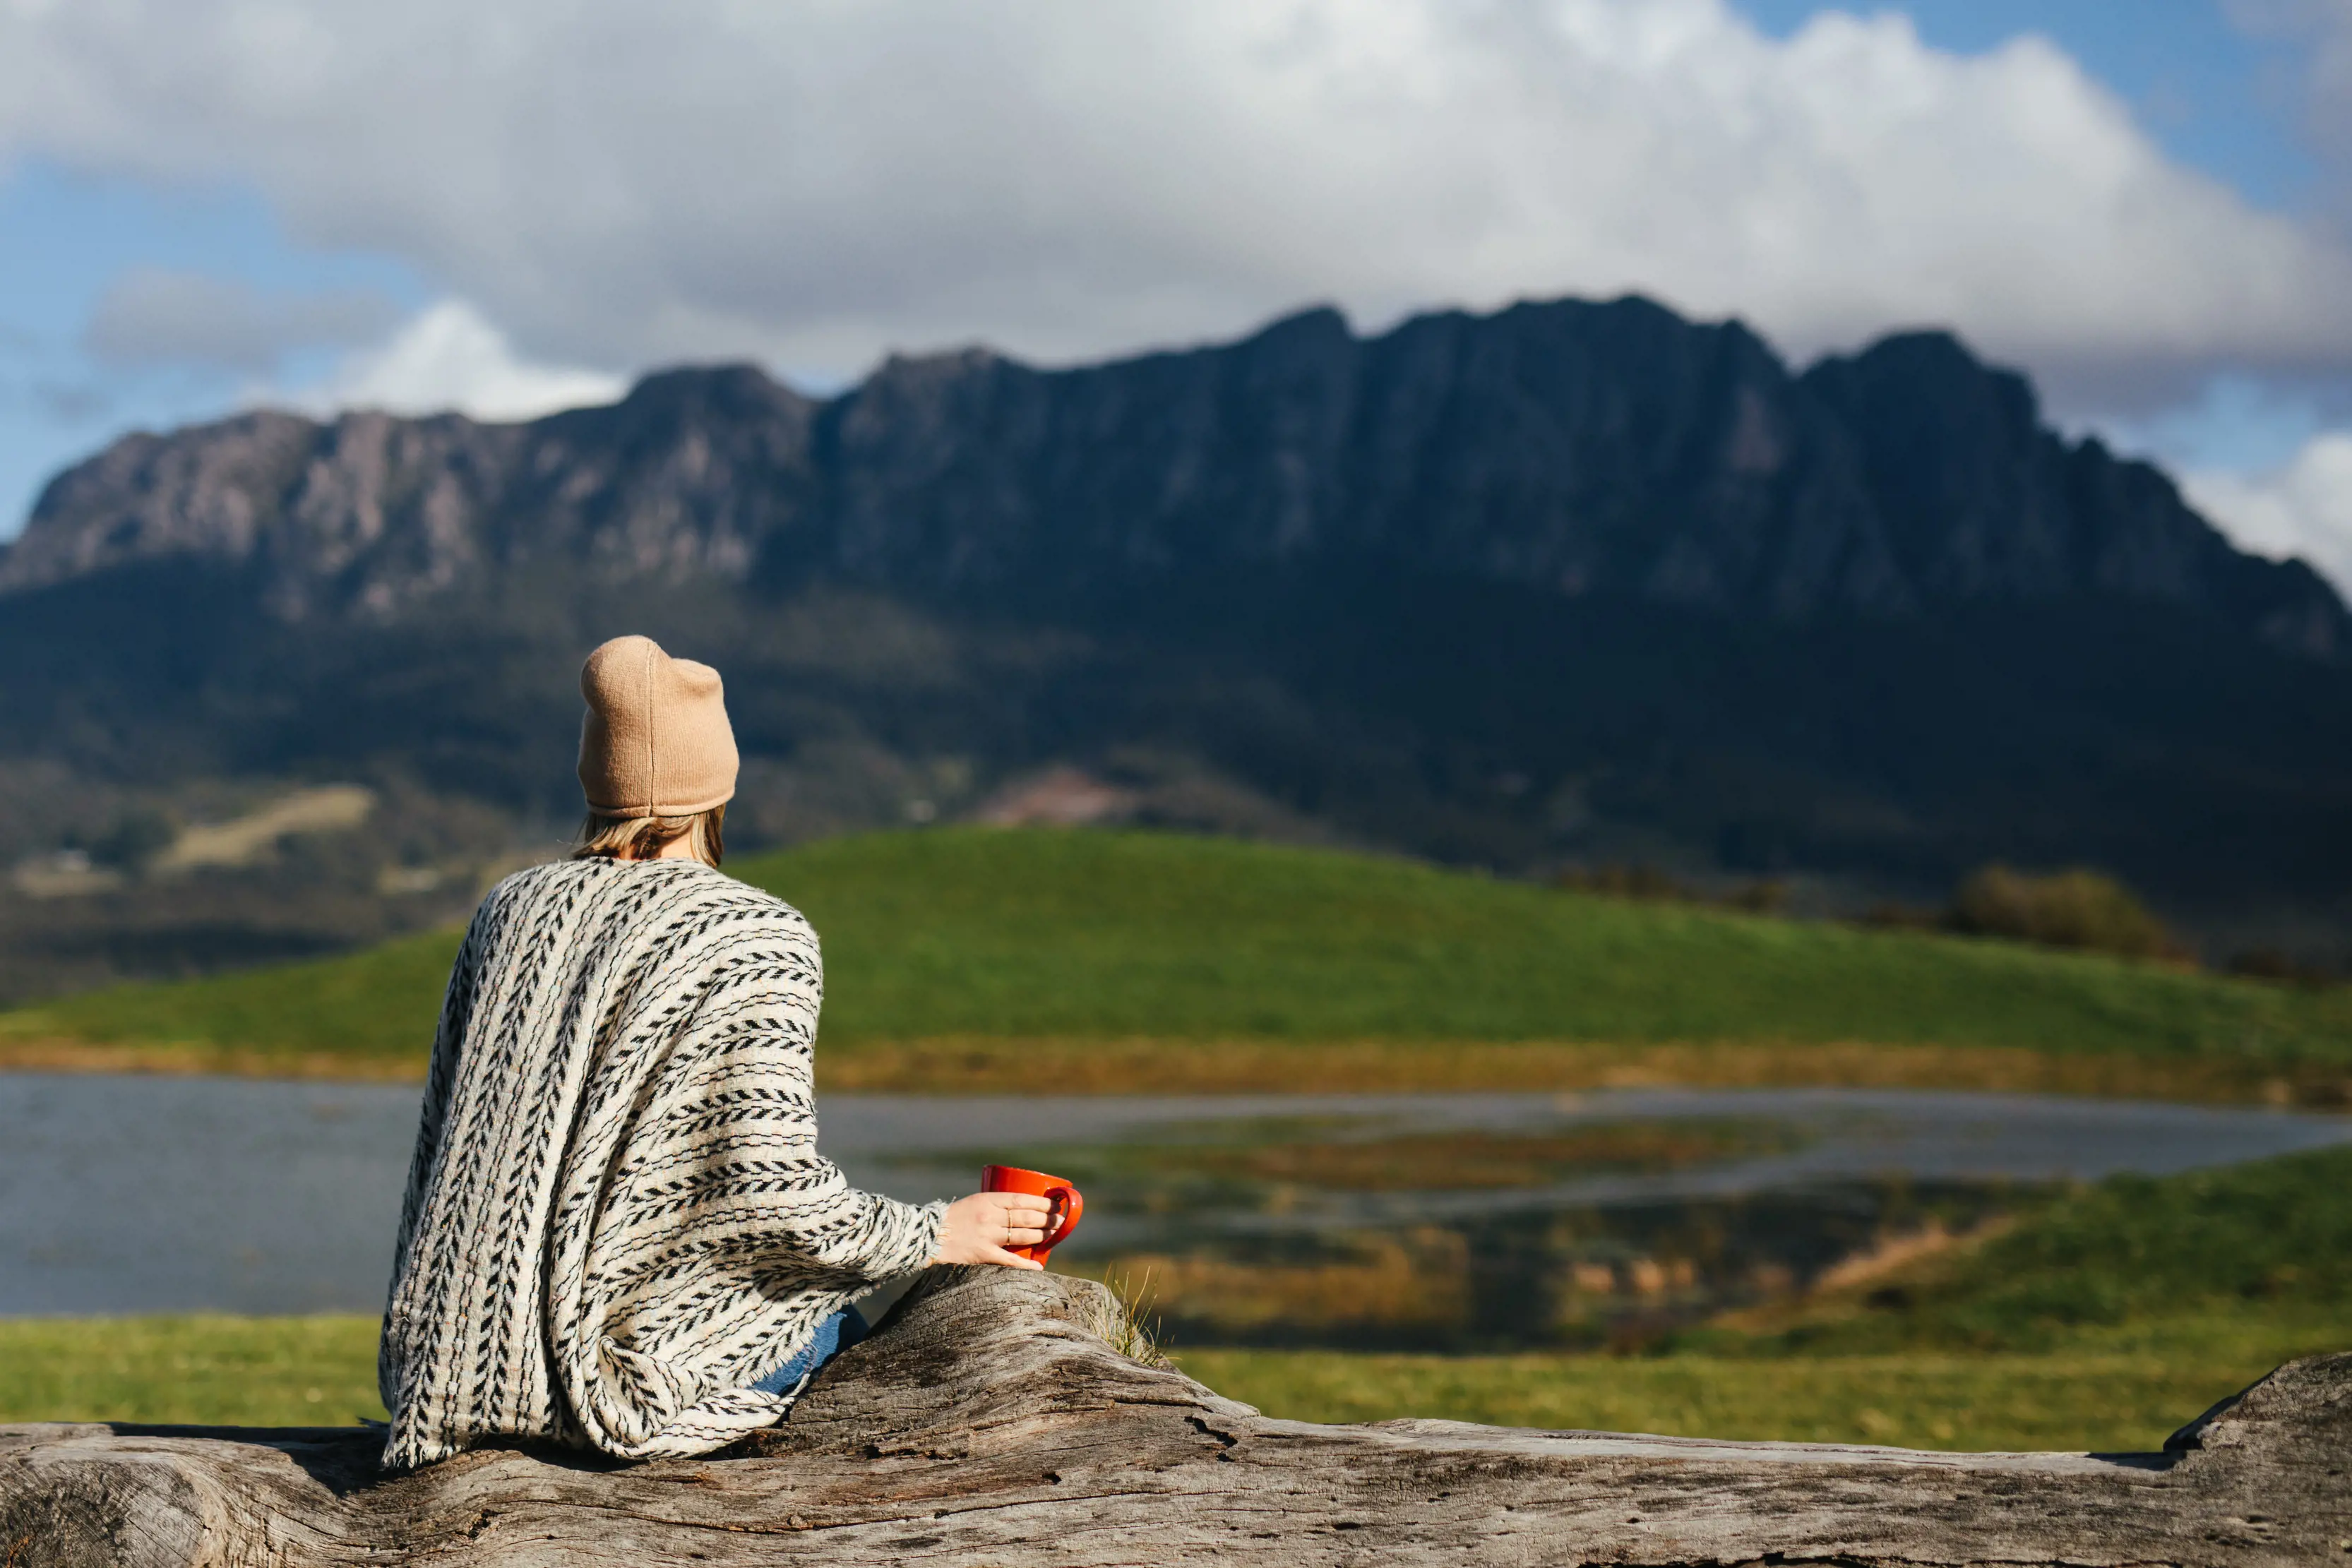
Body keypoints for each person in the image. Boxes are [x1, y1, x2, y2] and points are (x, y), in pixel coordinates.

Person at [375, 634, 1052, 1469]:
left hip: (452, 1374)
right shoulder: (755, 937)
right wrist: (934, 1230)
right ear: (716, 785)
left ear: (598, 776)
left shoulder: (509, 911)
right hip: (608, 1388)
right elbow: (771, 1197)